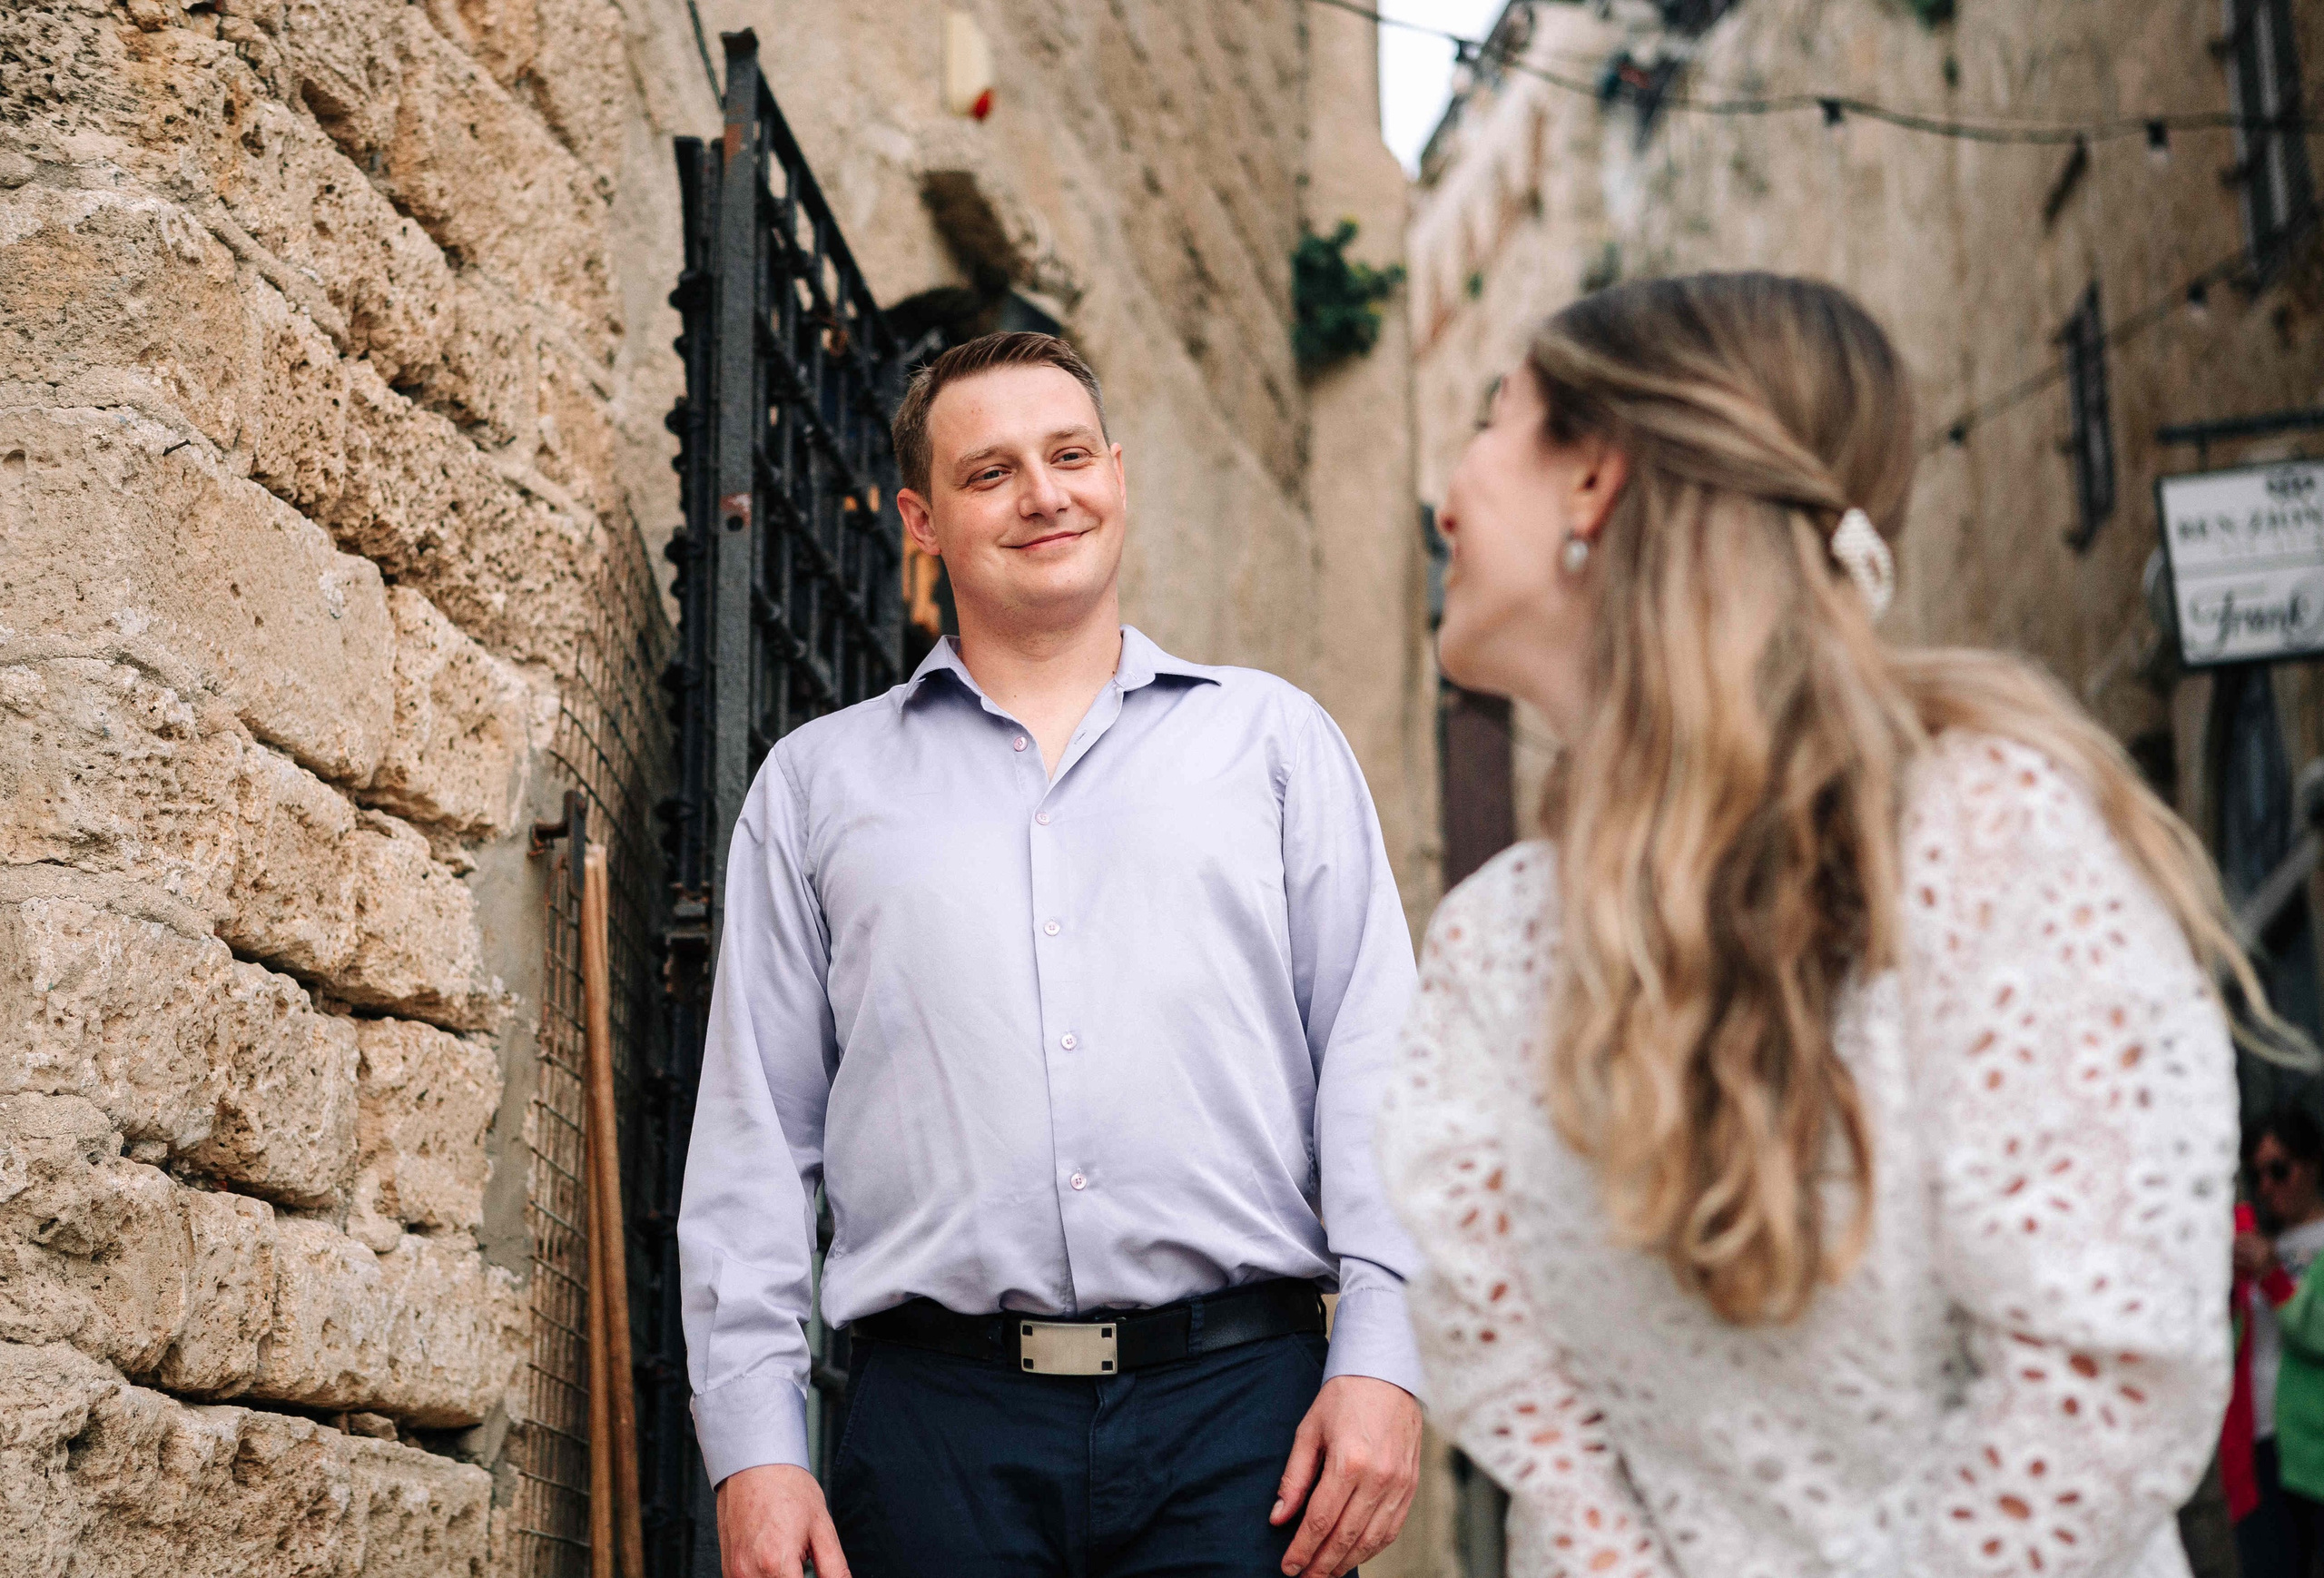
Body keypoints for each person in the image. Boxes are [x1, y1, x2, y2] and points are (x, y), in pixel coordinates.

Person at [1376, 271, 2245, 1576]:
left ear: (1593, 481)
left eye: (1496, 423)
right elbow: (1527, 1407)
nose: (1448, 496)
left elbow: (2102, 1377)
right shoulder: (1494, 943)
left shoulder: (1983, 832)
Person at [679, 331, 1424, 1578]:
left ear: (1117, 474)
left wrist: (1386, 1355)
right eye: (992, 472)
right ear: (920, 517)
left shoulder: (1276, 747)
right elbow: (757, 1137)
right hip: (936, 1431)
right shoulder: (818, 786)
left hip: (1246, 1422)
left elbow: (1383, 1066)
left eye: (1069, 454)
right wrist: (755, 1448)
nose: (1044, 493)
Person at [2235, 1106, 2324, 1576]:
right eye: (2258, 1176)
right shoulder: (2264, 1245)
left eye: (2279, 1169)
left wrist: (2271, 1277)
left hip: (2315, 1442)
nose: (2268, 1187)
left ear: (2312, 1163)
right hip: (2260, 1442)